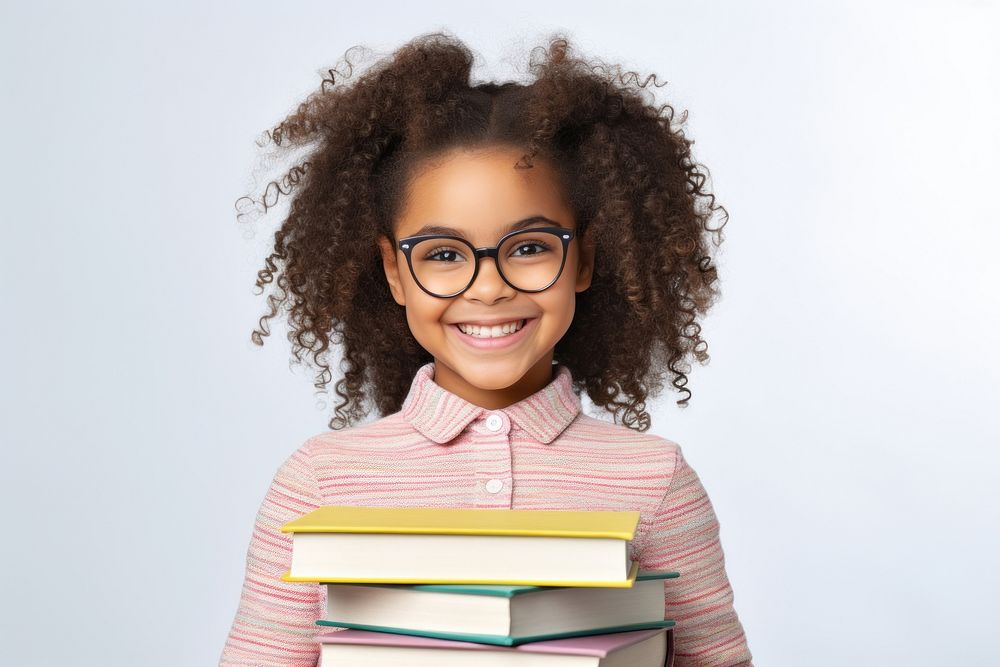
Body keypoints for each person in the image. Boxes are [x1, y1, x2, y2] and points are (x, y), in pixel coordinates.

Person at [220, 31, 753, 667]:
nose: (490, 287)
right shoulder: (319, 483)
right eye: (443, 255)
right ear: (393, 272)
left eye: (529, 248)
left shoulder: (656, 482)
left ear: (582, 258)